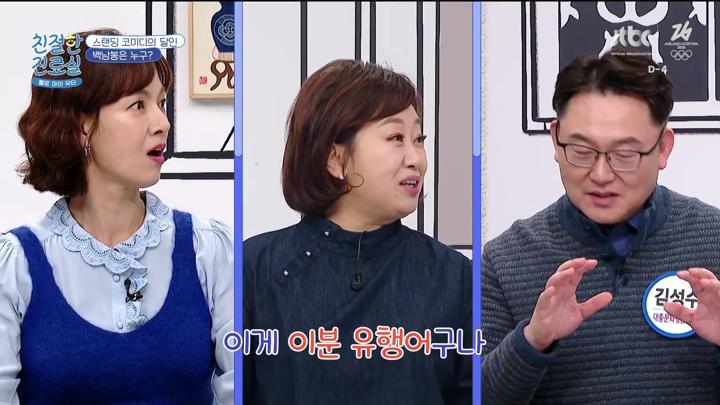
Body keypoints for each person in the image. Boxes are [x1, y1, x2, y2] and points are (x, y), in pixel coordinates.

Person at [0, 28, 233, 403]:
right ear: (82, 125)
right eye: (138, 105)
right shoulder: (15, 267)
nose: (162, 123)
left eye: (161, 102)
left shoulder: (209, 250)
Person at [482, 52, 720, 403]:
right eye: (581, 150)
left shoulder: (714, 239)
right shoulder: (505, 260)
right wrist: (532, 341)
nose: (601, 174)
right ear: (555, 140)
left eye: (625, 155)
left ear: (663, 148)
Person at [243, 59, 472, 404]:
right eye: (396, 138)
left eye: (419, 139)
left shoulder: (452, 275)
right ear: (335, 158)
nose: (417, 159)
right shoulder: (255, 269)